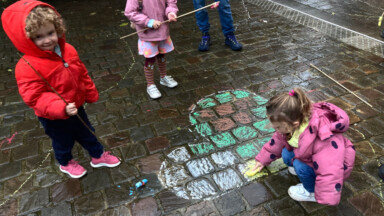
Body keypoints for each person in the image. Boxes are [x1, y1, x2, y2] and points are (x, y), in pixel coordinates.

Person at [1, 0, 120, 179]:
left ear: (58, 28)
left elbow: (81, 72)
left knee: (87, 130)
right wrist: (60, 108)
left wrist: (89, 91)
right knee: (63, 141)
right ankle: (65, 162)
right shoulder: (26, 66)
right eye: (38, 37)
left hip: (77, 106)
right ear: (25, 39)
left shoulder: (68, 50)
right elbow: (34, 97)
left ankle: (97, 155)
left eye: (51, 33)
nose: (47, 40)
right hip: (53, 116)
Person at [246, 88, 355, 205]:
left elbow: (330, 169)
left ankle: (311, 192)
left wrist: (327, 196)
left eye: (277, 127)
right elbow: (277, 140)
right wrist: (262, 160)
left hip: (332, 166)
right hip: (310, 155)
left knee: (300, 166)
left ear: (295, 124)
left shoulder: (323, 138)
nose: (275, 129)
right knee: (286, 154)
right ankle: (303, 172)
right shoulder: (293, 122)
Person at [125, 0, 179, 99]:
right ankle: (150, 85)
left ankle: (163, 77)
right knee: (150, 59)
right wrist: (148, 22)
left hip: (163, 30)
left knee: (161, 54)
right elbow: (130, 12)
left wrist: (171, 12)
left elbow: (171, 3)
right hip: (148, 33)